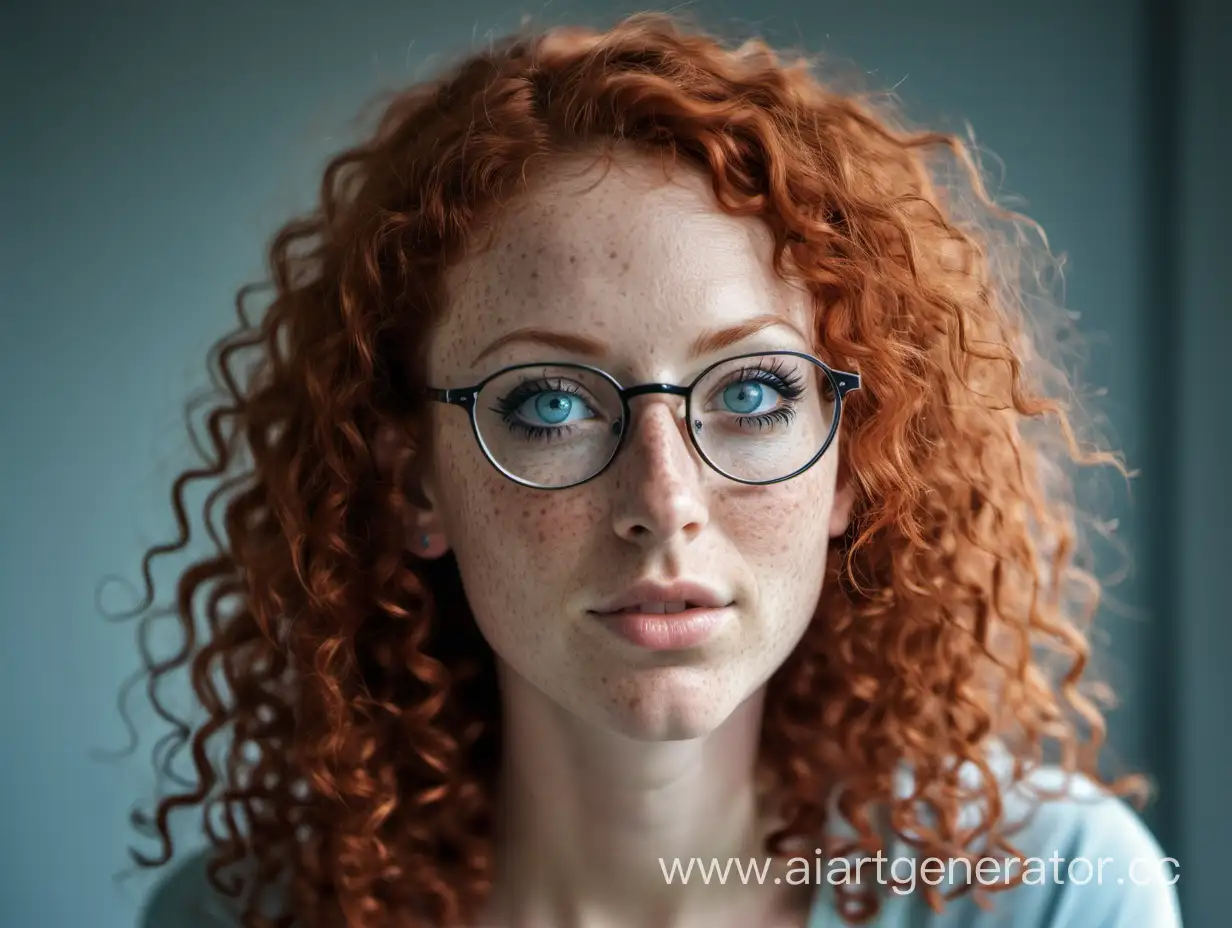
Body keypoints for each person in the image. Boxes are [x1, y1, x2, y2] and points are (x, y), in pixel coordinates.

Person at [126, 12, 1182, 928]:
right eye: (549, 403)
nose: (663, 504)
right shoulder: (244, 915)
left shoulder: (1049, 892)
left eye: (754, 393)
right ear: (412, 483)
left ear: (853, 463)